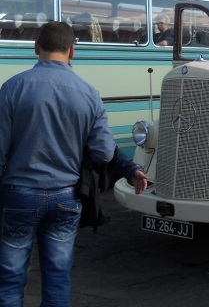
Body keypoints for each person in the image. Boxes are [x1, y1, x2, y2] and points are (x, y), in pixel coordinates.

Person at [0, 21, 148, 306]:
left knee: (9, 278)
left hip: (18, 195)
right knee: (57, 277)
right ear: (72, 51)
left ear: (36, 47)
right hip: (66, 197)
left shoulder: (11, 88)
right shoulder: (88, 93)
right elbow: (104, 153)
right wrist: (130, 169)